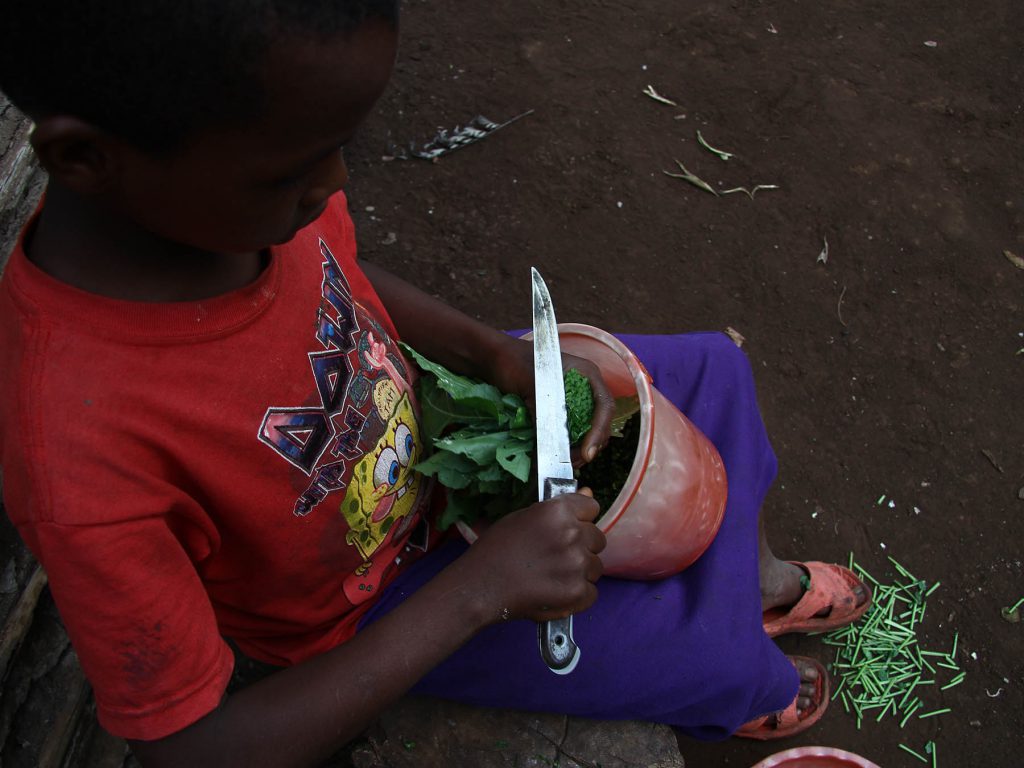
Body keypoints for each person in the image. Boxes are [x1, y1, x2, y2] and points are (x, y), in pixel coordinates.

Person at [0, 2, 870, 765]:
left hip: (434, 422)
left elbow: (337, 268)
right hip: (383, 598)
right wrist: (480, 591)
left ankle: (754, 584)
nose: (335, 185)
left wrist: (493, 358)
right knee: (703, 660)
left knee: (710, 372)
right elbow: (192, 750)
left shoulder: (231, 201)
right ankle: (745, 678)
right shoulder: (78, 454)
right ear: (83, 157)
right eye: (293, 172)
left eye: (342, 149)